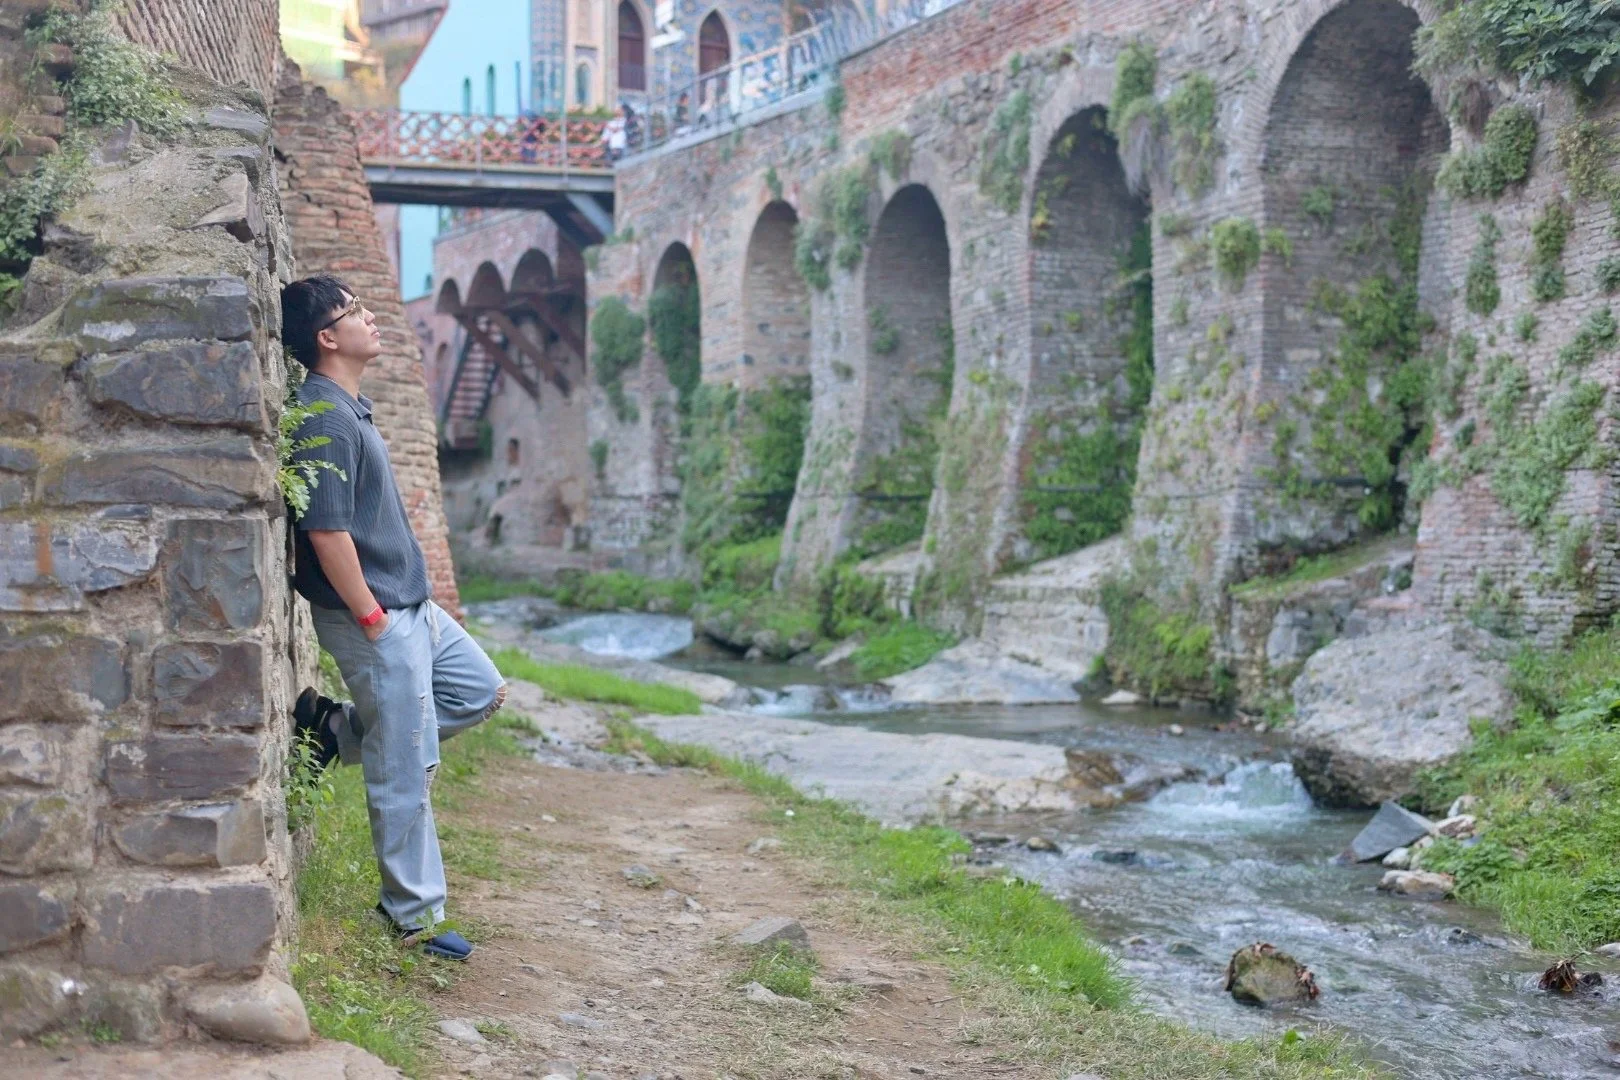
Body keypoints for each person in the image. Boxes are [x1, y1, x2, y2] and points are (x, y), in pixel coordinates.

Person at [282, 274, 507, 962]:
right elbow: (326, 531)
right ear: (327, 337)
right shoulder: (321, 414)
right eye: (355, 312)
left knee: (479, 691)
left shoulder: (350, 406)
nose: (372, 318)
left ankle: (338, 732)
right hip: (378, 617)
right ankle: (411, 917)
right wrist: (372, 616)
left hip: (415, 611)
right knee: (407, 766)